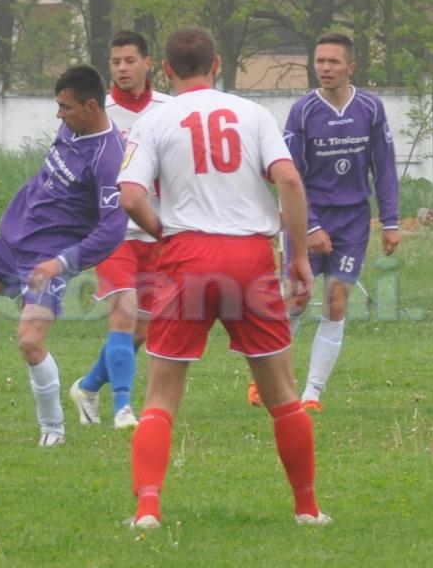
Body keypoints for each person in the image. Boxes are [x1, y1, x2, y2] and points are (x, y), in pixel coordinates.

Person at [118, 26, 331, 529]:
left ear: (165, 70)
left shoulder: (153, 120)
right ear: (217, 65)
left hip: (187, 254)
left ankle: (148, 510)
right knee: (283, 395)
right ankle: (307, 508)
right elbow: (289, 179)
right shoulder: (253, 114)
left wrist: (164, 235)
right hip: (250, 257)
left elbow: (130, 196)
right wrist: (299, 257)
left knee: (160, 398)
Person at [0, 65, 128, 448]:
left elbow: (113, 229)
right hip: (11, 242)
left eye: (66, 107)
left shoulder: (109, 156)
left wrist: (62, 263)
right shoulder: (72, 128)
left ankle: (54, 429)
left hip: (48, 258)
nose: (59, 115)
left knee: (30, 342)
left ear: (92, 107)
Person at [247, 32, 401, 411]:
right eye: (320, 61)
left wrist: (391, 221)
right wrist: (310, 226)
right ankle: (265, 380)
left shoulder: (371, 108)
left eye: (333, 62)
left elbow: (384, 166)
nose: (325, 68)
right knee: (296, 299)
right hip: (307, 218)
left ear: (351, 67)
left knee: (336, 302)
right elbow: (290, 176)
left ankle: (312, 394)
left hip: (353, 221)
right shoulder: (303, 111)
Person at [69, 31, 172, 430]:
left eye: (130, 61)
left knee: (140, 331)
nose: (123, 69)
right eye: (115, 62)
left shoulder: (170, 110)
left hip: (158, 231)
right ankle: (124, 410)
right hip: (112, 232)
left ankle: (88, 387)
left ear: (148, 63)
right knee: (124, 314)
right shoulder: (97, 112)